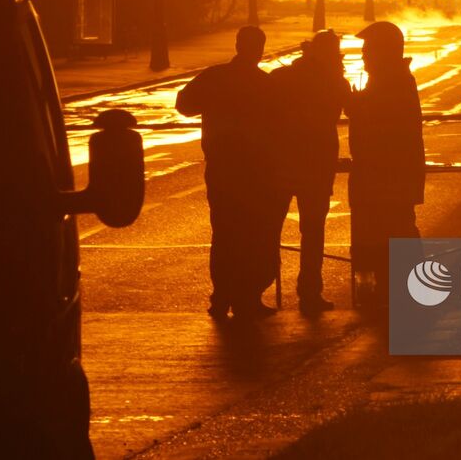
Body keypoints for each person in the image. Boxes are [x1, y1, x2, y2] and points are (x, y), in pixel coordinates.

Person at [176, 26, 278, 319]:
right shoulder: (264, 84)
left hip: (222, 168)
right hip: (256, 171)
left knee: (224, 233)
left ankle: (221, 296)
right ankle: (248, 296)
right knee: (253, 233)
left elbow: (184, 104)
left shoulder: (215, 77)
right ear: (259, 49)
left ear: (237, 45)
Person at [268, 30, 351, 313]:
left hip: (282, 160)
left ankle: (255, 288)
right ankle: (310, 291)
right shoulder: (336, 82)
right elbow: (355, 111)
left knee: (270, 230)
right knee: (313, 231)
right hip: (316, 164)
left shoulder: (282, 78)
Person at [345, 21, 425, 308]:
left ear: (383, 52)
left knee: (392, 234)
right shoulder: (389, 80)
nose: (364, 55)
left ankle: (400, 294)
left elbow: (384, 133)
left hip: (387, 178)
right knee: (386, 235)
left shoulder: (393, 83)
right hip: (384, 178)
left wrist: (358, 108)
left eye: (368, 49)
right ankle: (394, 292)